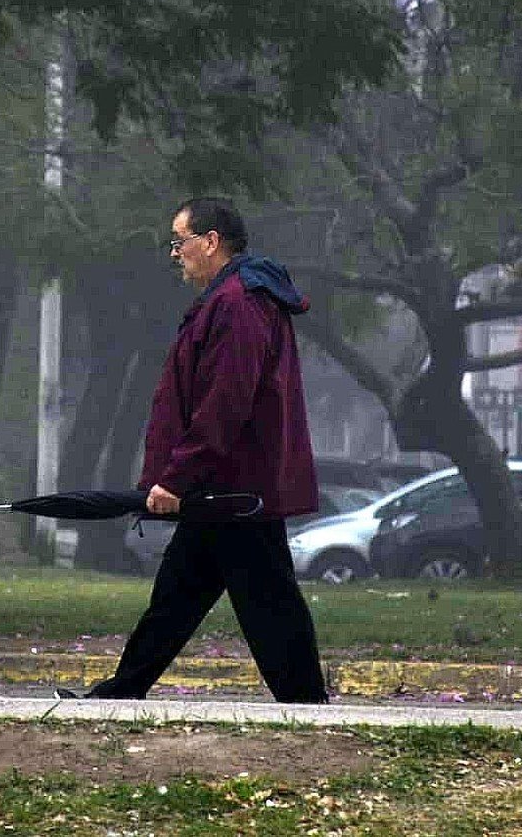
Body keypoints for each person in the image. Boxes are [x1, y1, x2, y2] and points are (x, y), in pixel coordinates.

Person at [69, 197, 329, 703]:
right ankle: (122, 692)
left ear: (210, 241)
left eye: (179, 241)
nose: (174, 253)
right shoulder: (234, 299)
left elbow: (225, 403)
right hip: (223, 488)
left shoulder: (237, 304)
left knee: (267, 603)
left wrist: (177, 477)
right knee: (178, 597)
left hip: (233, 490)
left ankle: (307, 706)